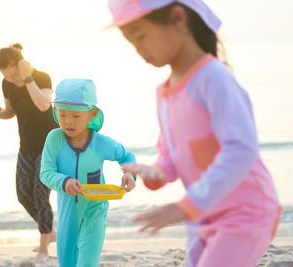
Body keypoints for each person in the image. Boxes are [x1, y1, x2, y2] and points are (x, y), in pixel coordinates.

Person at [104, 1, 281, 266]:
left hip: (246, 211)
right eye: (131, 42)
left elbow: (242, 149)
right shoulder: (163, 93)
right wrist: (158, 172)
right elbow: (170, 152)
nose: (139, 51)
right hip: (203, 213)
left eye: (140, 36)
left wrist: (187, 206)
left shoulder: (214, 78)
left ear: (177, 18)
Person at [40, 78, 136, 267]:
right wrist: (64, 181)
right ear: (56, 112)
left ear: (92, 114)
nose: (68, 121)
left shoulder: (100, 143)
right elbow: (45, 173)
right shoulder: (54, 139)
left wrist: (129, 173)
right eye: (62, 114)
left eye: (76, 116)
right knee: (67, 262)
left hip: (96, 209)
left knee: (88, 261)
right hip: (68, 211)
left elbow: (127, 156)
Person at [0, 43, 57, 263]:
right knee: (23, 195)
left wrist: (27, 80)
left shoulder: (42, 78)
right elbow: (11, 111)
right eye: (7, 76)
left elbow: (44, 105)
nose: (12, 80)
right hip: (26, 146)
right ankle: (50, 233)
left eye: (15, 74)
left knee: (39, 193)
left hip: (49, 145)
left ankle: (44, 247)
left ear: (22, 65)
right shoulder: (7, 85)